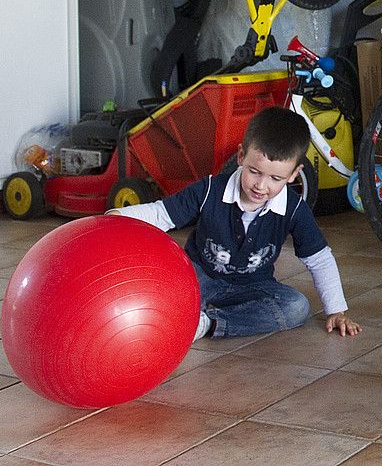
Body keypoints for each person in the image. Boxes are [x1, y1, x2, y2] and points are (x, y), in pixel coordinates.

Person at [109, 107, 362, 340]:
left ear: (294, 174)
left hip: (253, 286)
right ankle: (189, 312)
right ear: (241, 156)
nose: (261, 186)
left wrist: (336, 309)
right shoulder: (209, 189)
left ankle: (208, 324)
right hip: (200, 277)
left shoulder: (294, 207)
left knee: (296, 307)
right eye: (255, 171)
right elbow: (161, 214)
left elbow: (319, 259)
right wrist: (117, 218)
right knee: (164, 292)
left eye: (275, 178)